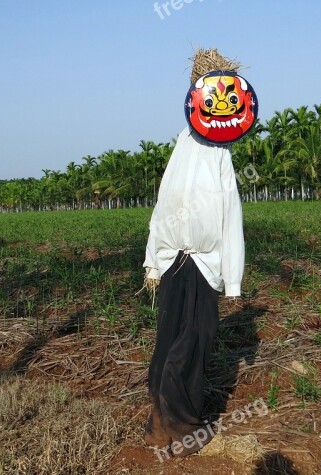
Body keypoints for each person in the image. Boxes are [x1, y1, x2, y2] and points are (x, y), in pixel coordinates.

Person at [141, 112, 245, 458]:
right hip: (191, 261)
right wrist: (231, 280)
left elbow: (163, 206)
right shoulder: (207, 148)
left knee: (169, 336)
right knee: (194, 338)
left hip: (178, 260)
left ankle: (158, 425)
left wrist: (154, 261)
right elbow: (229, 214)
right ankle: (183, 426)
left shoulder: (189, 145)